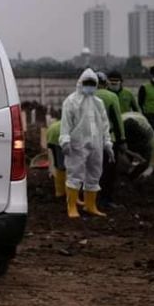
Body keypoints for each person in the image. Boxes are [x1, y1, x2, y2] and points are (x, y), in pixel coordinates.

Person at [60, 68, 113, 218]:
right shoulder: (71, 101)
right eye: (87, 83)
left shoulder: (98, 103)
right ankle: (71, 207)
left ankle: (90, 206)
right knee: (75, 174)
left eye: (92, 83)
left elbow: (104, 124)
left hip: (96, 144)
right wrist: (65, 140)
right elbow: (66, 124)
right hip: (77, 144)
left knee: (94, 174)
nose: (89, 86)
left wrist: (107, 143)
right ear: (80, 83)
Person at [95, 72, 125, 204]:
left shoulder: (83, 97)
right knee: (109, 171)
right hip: (108, 139)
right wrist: (122, 140)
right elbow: (117, 120)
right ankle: (105, 199)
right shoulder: (111, 97)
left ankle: (89, 199)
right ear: (105, 83)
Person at [122, 111, 154, 177]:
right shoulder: (116, 129)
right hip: (124, 125)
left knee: (147, 152)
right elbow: (116, 147)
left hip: (138, 119)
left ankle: (134, 175)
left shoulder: (146, 129)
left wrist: (150, 168)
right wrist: (132, 154)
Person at [46, 119, 66, 197]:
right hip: (58, 137)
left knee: (59, 164)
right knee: (62, 166)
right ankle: (61, 191)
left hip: (53, 135)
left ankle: (60, 191)